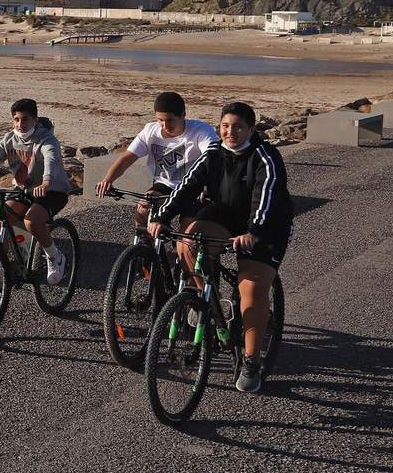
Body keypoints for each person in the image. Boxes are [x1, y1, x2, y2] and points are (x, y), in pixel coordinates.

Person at [148, 101, 293, 394]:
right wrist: (160, 217)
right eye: (225, 126)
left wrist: (253, 232)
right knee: (188, 242)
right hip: (225, 216)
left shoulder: (265, 156)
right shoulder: (213, 154)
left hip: (265, 227)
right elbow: (186, 187)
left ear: (252, 129)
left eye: (238, 127)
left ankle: (251, 360)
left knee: (250, 288)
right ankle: (204, 302)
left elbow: (264, 199)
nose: (231, 132)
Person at [0, 98, 73, 284]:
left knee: (32, 221)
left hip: (53, 191)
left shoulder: (47, 140)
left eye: (25, 119)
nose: (20, 124)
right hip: (23, 191)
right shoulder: (10, 139)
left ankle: (55, 256)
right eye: (16, 119)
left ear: (35, 120)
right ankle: (1, 267)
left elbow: (52, 161)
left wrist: (47, 182)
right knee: (3, 217)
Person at [95, 91, 218, 230]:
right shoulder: (150, 131)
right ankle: (148, 249)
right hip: (164, 185)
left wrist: (208, 185)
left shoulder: (200, 130)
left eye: (170, 120)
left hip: (192, 188)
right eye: (160, 120)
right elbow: (127, 158)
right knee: (142, 210)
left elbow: (212, 158)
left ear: (183, 115)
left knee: (187, 231)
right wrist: (108, 180)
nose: (165, 125)